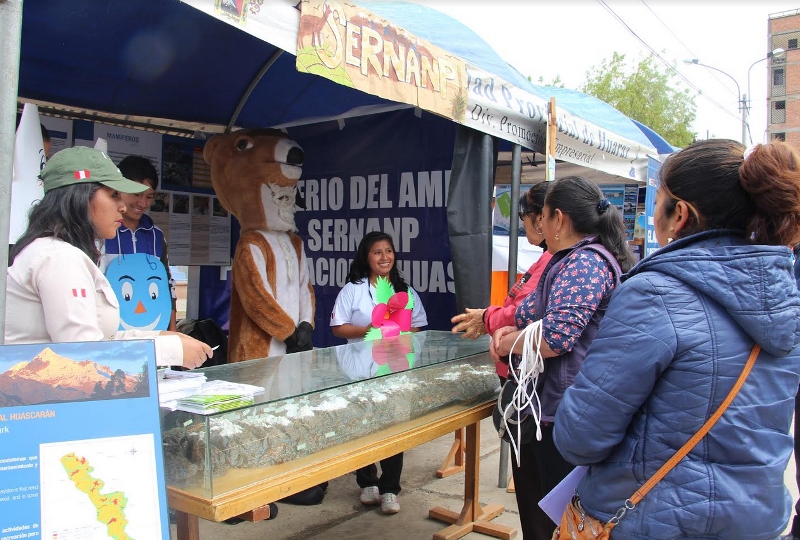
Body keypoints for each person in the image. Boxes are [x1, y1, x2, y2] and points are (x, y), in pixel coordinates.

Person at [554, 139, 800, 539]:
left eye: (659, 200)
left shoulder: (653, 294)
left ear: (680, 214)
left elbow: (580, 438)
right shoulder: (787, 300)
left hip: (650, 522)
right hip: (758, 524)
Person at [490, 176, 634, 540]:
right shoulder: (568, 259)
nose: (538, 224)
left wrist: (509, 344)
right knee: (538, 511)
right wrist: (507, 329)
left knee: (556, 519)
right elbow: (532, 315)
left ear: (560, 219)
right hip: (546, 408)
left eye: (544, 216)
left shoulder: (585, 262)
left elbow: (556, 336)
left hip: (560, 412)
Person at [5, 146, 211, 369]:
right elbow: (84, 353)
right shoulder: (59, 258)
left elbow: (96, 340)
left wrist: (162, 337)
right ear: (80, 197)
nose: (122, 206)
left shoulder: (56, 252)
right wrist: (169, 350)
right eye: (114, 195)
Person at [330, 231, 428, 514]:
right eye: (377, 252)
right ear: (367, 257)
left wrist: (401, 333)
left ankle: (390, 489)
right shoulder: (353, 290)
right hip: (359, 370)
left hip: (395, 369)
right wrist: (370, 331)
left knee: (393, 428)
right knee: (363, 427)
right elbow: (338, 327)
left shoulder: (405, 292)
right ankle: (367, 482)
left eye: (388, 251)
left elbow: (419, 327)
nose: (384, 257)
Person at [451, 181, 553, 382]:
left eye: (523, 216)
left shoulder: (554, 260)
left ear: (542, 218)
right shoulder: (552, 258)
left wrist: (488, 318)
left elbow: (525, 311)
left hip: (528, 375)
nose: (522, 224)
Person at [103, 155, 178, 331]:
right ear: (118, 190)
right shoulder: (102, 233)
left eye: (149, 196)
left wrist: (173, 331)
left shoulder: (156, 236)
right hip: (110, 332)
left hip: (152, 330)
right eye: (136, 194)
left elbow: (167, 283)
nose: (142, 203)